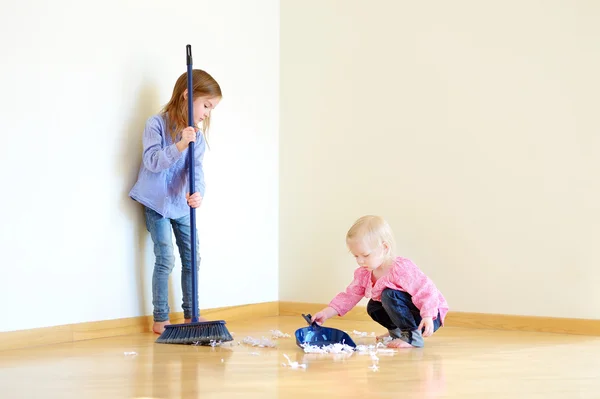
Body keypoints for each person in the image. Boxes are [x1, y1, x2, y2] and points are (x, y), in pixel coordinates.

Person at [129, 69, 222, 334]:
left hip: (182, 204)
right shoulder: (155, 125)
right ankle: (161, 319)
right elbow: (152, 162)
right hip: (156, 202)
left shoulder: (199, 138)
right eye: (206, 105)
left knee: (193, 257)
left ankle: (192, 315)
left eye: (211, 108)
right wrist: (180, 144)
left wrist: (198, 192)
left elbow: (197, 170)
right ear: (186, 96)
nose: (207, 113)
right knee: (165, 257)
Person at [312, 215, 449, 348]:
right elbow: (349, 296)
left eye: (365, 255)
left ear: (384, 248)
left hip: (428, 314)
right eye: (356, 256)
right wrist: (326, 313)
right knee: (373, 306)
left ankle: (412, 336)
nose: (360, 261)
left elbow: (425, 289)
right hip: (412, 315)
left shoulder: (401, 268)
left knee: (389, 295)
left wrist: (428, 315)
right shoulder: (365, 274)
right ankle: (397, 332)